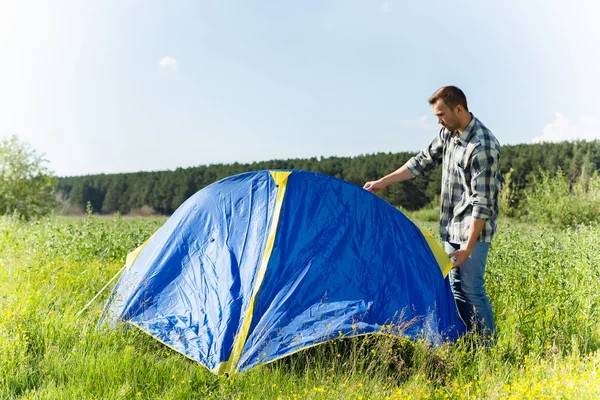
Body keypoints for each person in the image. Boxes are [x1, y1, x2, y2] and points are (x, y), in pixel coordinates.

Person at [363, 86, 501, 339]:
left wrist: (467, 248)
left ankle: (487, 349)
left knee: (472, 289)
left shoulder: (482, 146)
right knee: (456, 288)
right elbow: (420, 162)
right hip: (451, 227)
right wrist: (383, 182)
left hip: (473, 230)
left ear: (458, 109)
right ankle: (467, 340)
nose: (438, 120)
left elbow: (483, 204)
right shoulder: (449, 134)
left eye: (441, 114)